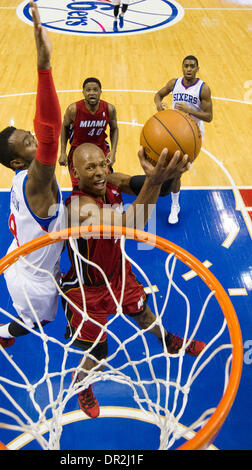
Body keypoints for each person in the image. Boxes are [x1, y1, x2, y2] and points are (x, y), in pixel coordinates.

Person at [61, 142, 206, 419]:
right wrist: (154, 180)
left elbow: (151, 188)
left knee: (142, 313)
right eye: (90, 167)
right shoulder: (79, 207)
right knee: (98, 351)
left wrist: (166, 174)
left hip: (118, 272)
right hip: (88, 290)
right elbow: (131, 224)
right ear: (75, 174)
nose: (100, 172)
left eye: (102, 163)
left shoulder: (111, 181)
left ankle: (168, 341)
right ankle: (82, 384)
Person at [0, 2, 65, 348]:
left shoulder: (22, 178)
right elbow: (49, 132)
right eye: (26, 143)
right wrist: (43, 67)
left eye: (28, 137)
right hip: (34, 280)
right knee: (39, 322)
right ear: (18, 162)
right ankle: (1, 333)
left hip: (21, 254)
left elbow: (41, 134)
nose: (34, 140)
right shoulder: (35, 181)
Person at [154, 55, 213, 224]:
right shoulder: (174, 83)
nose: (188, 69)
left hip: (192, 135)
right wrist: (158, 104)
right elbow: (158, 95)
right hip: (174, 130)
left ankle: (174, 205)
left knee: (176, 172)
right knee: (172, 171)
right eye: (186, 66)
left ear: (197, 68)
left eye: (192, 66)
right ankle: (174, 203)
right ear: (182, 67)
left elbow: (209, 117)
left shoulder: (203, 89)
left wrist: (189, 110)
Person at [59, 77, 118, 188]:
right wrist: (62, 152)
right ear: (83, 92)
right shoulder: (73, 109)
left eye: (95, 90)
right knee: (79, 187)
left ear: (100, 92)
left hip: (100, 150)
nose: (92, 93)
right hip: (78, 151)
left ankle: (104, 205)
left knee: (105, 184)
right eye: (88, 90)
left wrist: (113, 151)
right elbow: (65, 128)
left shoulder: (109, 109)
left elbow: (114, 129)